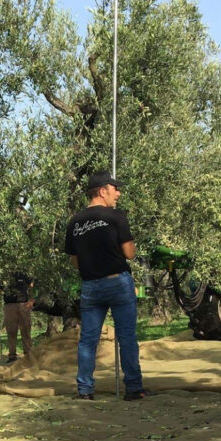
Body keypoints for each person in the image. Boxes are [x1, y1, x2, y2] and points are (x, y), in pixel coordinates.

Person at [63, 170, 147, 401]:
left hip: (90, 286)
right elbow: (129, 253)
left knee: (88, 340)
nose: (118, 193)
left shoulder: (74, 222)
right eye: (114, 189)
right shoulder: (116, 217)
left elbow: (74, 259)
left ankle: (85, 390)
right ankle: (133, 388)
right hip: (117, 282)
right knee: (127, 336)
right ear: (102, 191)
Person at [1, 271, 34, 363]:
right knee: (11, 330)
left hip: (23, 304)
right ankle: (12, 356)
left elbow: (32, 286)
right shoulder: (3, 274)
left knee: (26, 329)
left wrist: (32, 300)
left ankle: (28, 355)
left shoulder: (23, 274)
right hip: (9, 305)